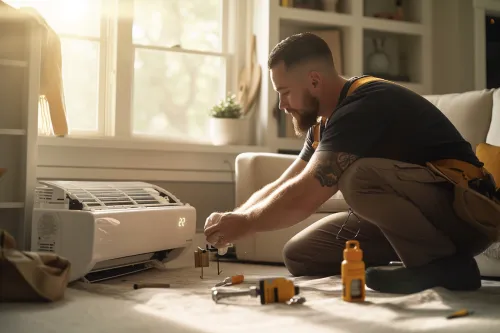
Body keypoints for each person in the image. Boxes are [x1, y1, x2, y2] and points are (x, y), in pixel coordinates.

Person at [204, 32, 500, 294]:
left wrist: (246, 224)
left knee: (357, 177)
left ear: (315, 80)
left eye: (284, 93)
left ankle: (445, 267)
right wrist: (236, 216)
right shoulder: (323, 122)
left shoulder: (364, 105)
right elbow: (287, 181)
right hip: (419, 212)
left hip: (467, 213)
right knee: (300, 254)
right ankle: (412, 261)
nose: (282, 105)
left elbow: (306, 194)